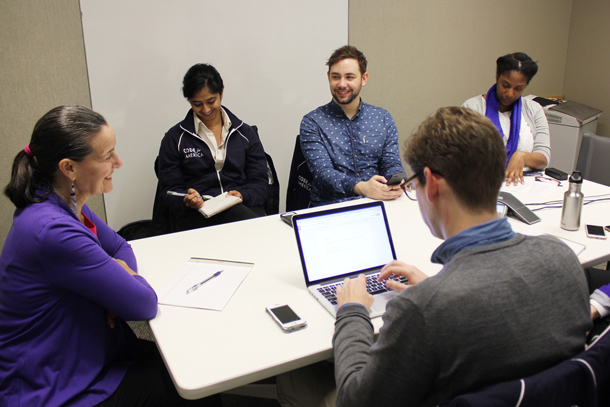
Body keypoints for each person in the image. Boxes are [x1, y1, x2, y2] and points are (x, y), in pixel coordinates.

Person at [332, 107, 591, 407]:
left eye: (414, 184)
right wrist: (438, 289)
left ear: (433, 184)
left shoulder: (422, 310)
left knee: (302, 380)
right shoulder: (564, 260)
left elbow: (355, 402)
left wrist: (352, 312)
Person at [0, 106, 221, 407]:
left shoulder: (63, 200)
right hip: (53, 384)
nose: (118, 162)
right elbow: (143, 303)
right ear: (69, 168)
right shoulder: (52, 229)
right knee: (194, 379)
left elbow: (120, 247)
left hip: (83, 351)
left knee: (185, 360)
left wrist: (116, 279)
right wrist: (121, 286)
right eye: (107, 156)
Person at [158, 63, 269, 231]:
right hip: (197, 216)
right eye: (197, 104)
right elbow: (168, 192)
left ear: (221, 92)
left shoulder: (245, 133)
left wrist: (242, 195)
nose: (206, 109)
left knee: (237, 212)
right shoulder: (175, 138)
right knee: (248, 223)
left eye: (211, 101)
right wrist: (187, 199)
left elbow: (261, 184)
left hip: (244, 209)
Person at [300, 45, 406, 207]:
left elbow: (391, 162)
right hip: (331, 208)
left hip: (378, 204)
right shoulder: (313, 122)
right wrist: (362, 187)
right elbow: (323, 174)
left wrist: (396, 180)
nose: (342, 84)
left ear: (364, 78)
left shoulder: (382, 118)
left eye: (349, 77)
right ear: (328, 77)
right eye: (336, 77)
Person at [462, 52, 551, 186]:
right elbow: (462, 157)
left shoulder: (534, 109)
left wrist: (522, 156)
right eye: (506, 85)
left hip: (524, 185)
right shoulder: (472, 108)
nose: (510, 93)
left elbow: (544, 158)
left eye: (518, 89)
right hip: (481, 185)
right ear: (497, 78)